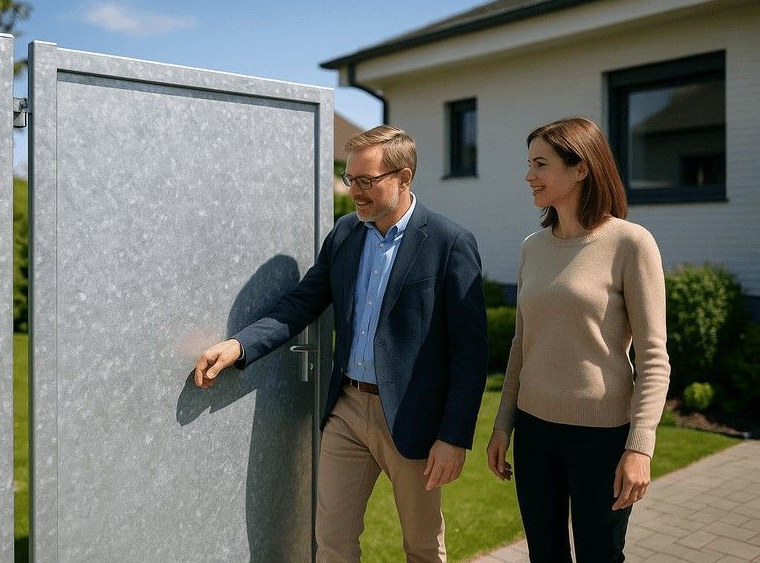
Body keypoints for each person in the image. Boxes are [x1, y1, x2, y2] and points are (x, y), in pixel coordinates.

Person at [195, 125, 488, 563]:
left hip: (413, 419)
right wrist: (239, 346)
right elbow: (301, 303)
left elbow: (471, 352)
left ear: (404, 177)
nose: (355, 192)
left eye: (366, 181)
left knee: (423, 547)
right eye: (350, 179)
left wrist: (454, 436)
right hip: (347, 411)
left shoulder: (449, 243)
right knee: (331, 544)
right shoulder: (346, 234)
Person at [486, 117, 671, 562]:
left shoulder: (631, 243)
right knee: (544, 556)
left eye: (540, 164)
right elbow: (521, 345)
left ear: (580, 168)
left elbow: (653, 356)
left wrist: (639, 446)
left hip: (602, 439)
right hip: (533, 433)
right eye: (528, 164)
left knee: (599, 557)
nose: (529, 176)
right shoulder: (533, 246)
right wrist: (502, 425)